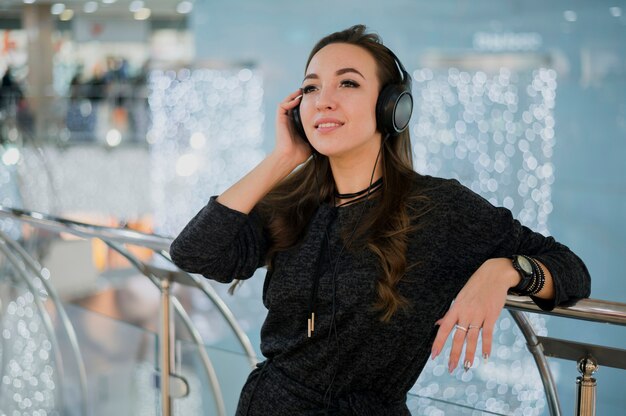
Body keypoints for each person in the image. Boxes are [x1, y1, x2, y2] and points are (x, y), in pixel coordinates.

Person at [169, 25, 590, 416]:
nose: (324, 99)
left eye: (348, 83)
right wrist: (284, 157)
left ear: (393, 107)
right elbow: (193, 252)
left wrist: (504, 271)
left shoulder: (437, 207)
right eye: (311, 88)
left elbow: (570, 269)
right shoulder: (291, 203)